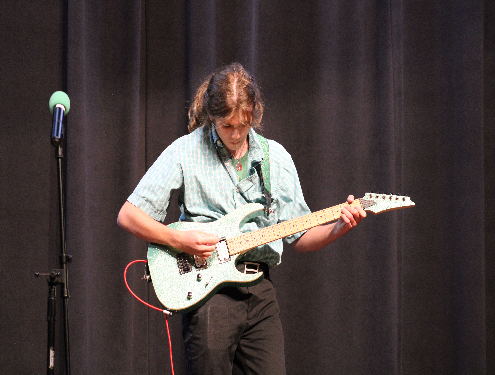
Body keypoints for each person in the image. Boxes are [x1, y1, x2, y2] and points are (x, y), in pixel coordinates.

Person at [117, 62, 366, 375]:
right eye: (226, 126)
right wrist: (179, 239)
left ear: (255, 115)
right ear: (211, 117)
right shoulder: (186, 151)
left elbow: (300, 237)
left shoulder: (276, 157)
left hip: (259, 290)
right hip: (209, 292)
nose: (235, 135)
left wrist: (339, 226)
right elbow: (129, 215)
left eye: (243, 126)